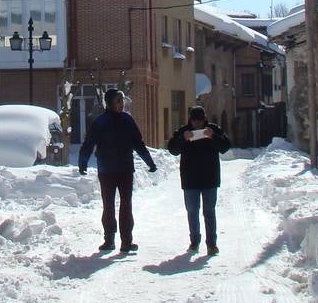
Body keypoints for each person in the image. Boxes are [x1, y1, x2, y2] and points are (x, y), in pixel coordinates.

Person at [78, 88, 156, 253]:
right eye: (118, 101)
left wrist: (149, 162)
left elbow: (138, 143)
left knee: (126, 205)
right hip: (106, 171)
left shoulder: (128, 120)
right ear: (109, 103)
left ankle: (127, 241)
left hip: (126, 169)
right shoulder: (100, 122)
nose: (121, 104)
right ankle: (109, 239)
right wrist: (83, 162)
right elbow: (88, 143)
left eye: (122, 101)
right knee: (108, 205)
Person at [167, 105, 230, 255]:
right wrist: (183, 139)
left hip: (210, 178)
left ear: (204, 119)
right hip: (190, 180)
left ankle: (212, 244)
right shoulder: (184, 131)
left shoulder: (212, 129)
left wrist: (212, 136)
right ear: (191, 120)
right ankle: (194, 242)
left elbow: (225, 146)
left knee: (209, 211)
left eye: (200, 121)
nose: (197, 125)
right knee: (192, 211)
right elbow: (172, 149)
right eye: (195, 121)